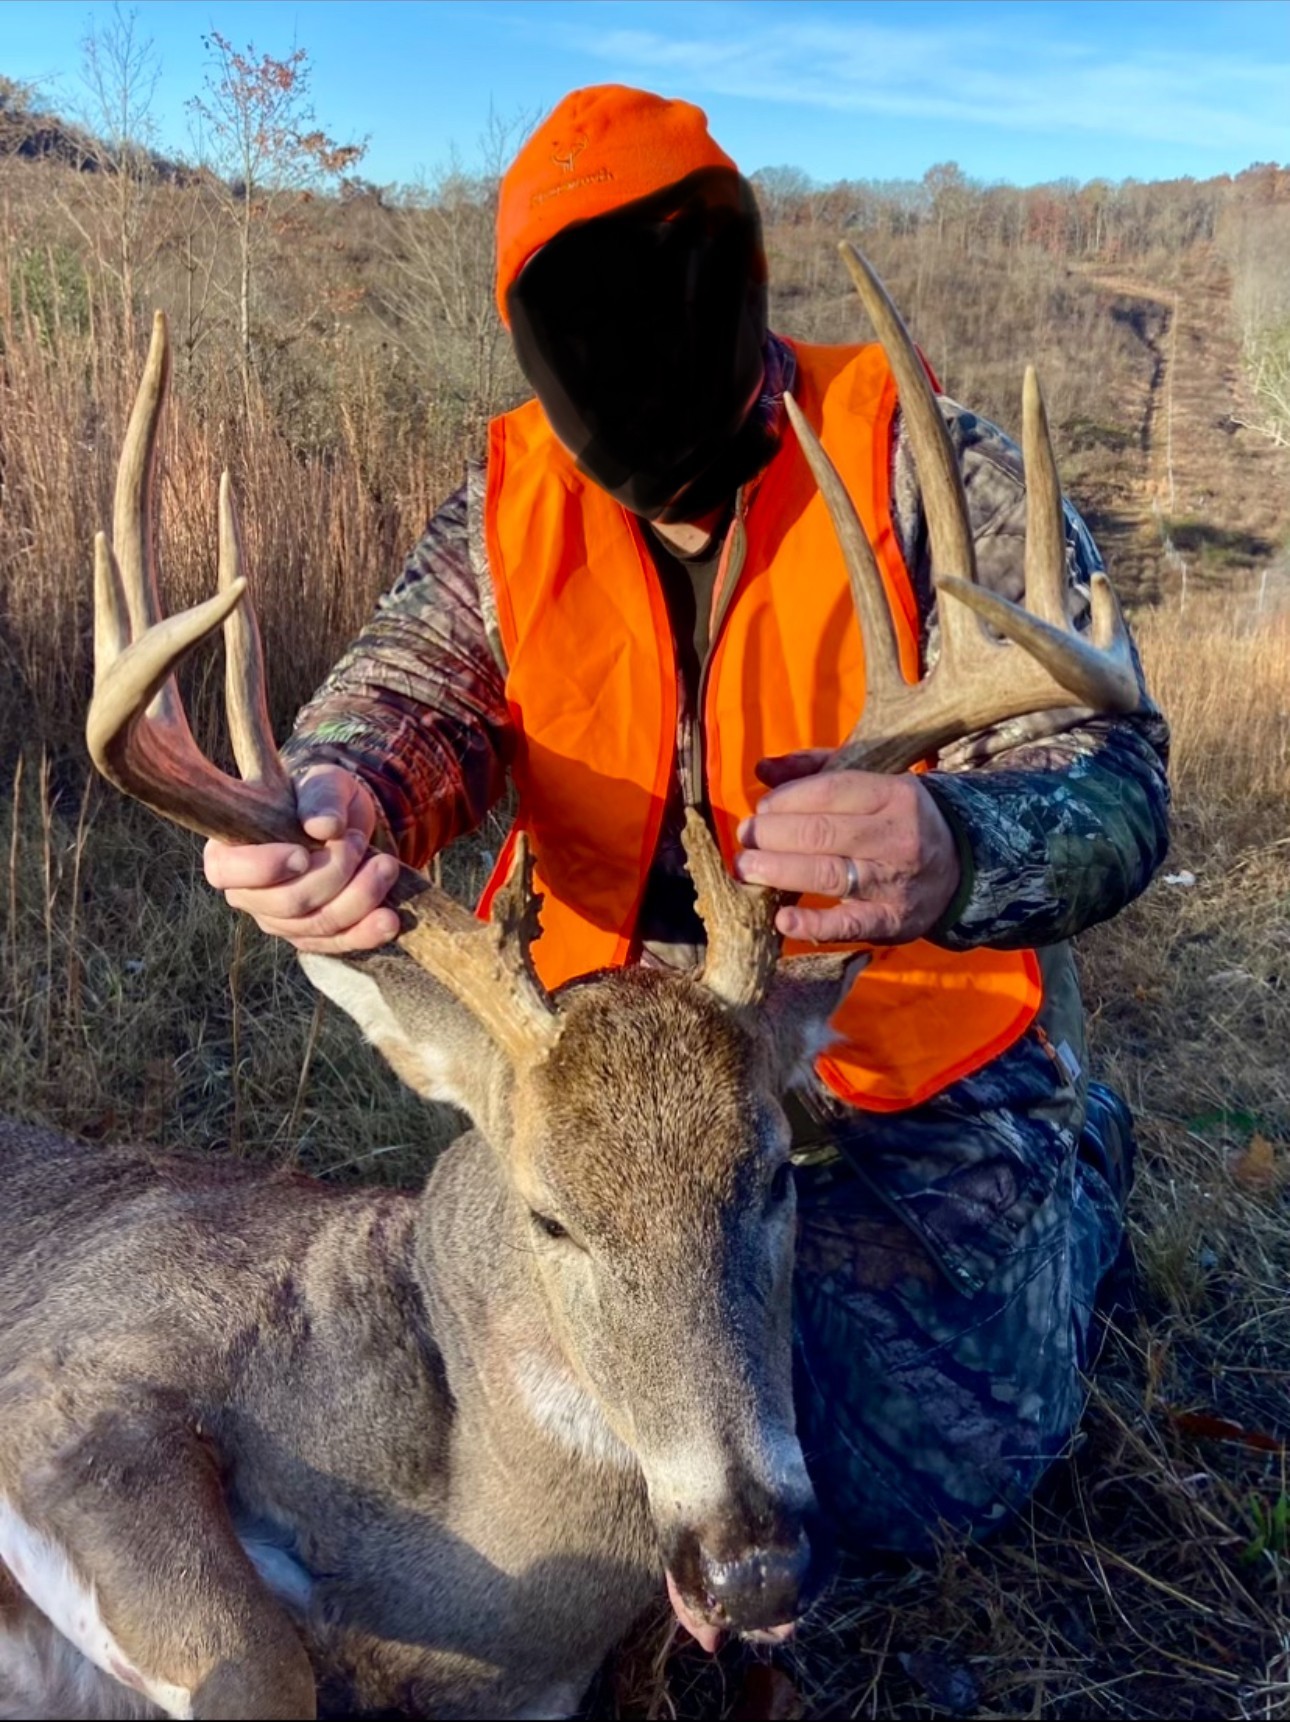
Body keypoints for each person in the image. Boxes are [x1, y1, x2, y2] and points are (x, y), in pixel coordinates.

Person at [203, 86, 1169, 1558]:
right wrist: (335, 793)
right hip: (618, 1075)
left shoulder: (919, 465)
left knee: (897, 1483)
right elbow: (410, 695)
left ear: (743, 288)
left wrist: (954, 845)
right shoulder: (513, 501)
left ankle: (1079, 1165)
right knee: (564, 1396)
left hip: (887, 1053)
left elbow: (1116, 784)